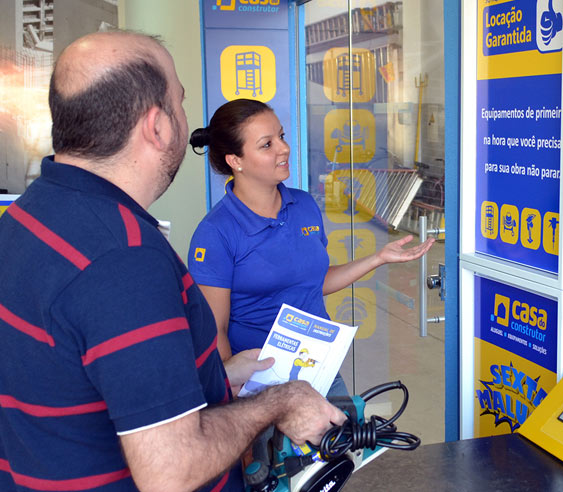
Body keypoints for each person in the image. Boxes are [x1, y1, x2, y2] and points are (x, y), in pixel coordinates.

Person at [0, 31, 345, 492]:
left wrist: (219, 376)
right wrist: (278, 402)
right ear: (157, 126)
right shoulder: (122, 260)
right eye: (180, 102)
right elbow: (171, 471)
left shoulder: (25, 217)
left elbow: (101, 376)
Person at [187, 99, 435, 391]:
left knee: (347, 435)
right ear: (235, 161)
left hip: (319, 368)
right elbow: (214, 329)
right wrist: (234, 391)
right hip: (258, 381)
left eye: (281, 136)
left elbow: (313, 282)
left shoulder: (303, 204)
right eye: (267, 145)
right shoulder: (216, 232)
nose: (283, 148)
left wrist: (378, 258)